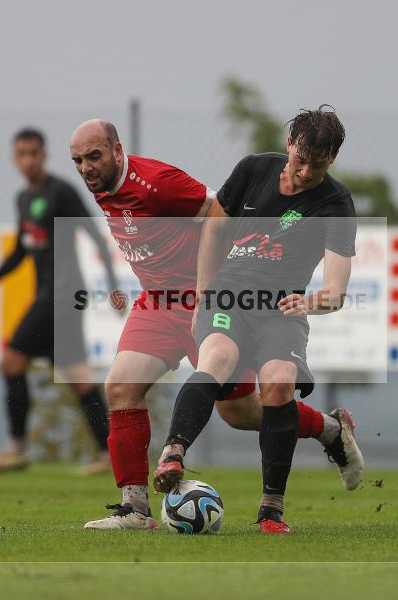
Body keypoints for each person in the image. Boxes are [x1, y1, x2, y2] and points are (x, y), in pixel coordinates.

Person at [68, 119, 362, 530]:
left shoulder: (158, 182)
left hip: (211, 299)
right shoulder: (102, 187)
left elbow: (216, 218)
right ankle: (135, 510)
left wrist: (218, 287)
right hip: (157, 302)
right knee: (120, 386)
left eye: (94, 157)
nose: (86, 168)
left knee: (241, 412)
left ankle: (328, 429)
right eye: (78, 160)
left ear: (117, 151)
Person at [154, 106, 360, 534]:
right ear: (289, 145)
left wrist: (311, 303)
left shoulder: (336, 203)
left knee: (279, 382)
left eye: (317, 167)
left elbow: (337, 290)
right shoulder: (253, 169)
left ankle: (271, 509)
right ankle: (173, 451)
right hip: (228, 297)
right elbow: (213, 230)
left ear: (332, 160)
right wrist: (205, 293)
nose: (304, 174)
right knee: (216, 360)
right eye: (300, 161)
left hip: (281, 310)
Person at [0, 127, 121, 474]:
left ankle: (16, 448)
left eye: (34, 153)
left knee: (11, 360)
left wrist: (113, 286)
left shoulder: (61, 192)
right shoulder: (24, 199)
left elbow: (95, 236)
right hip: (51, 295)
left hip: (62, 294)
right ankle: (110, 453)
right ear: (14, 158)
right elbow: (22, 250)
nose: (28, 160)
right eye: (21, 154)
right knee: (78, 377)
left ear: (44, 155)